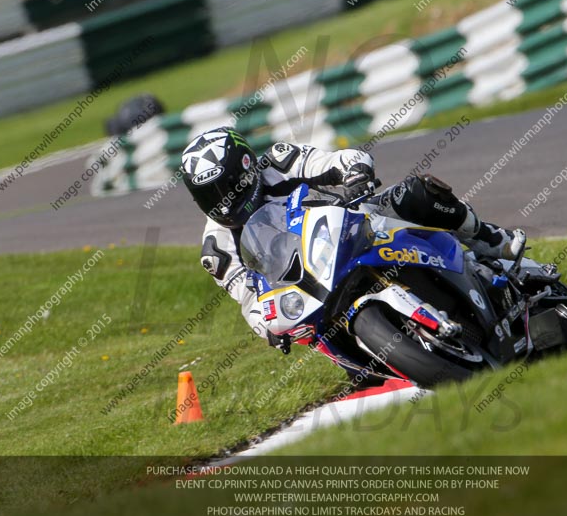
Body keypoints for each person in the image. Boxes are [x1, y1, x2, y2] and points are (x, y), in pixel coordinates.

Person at [181, 127, 525, 353]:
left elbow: (340, 159)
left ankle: (490, 239)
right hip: (308, 286)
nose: (223, 199)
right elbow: (249, 301)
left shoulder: (279, 162)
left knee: (415, 194)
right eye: (209, 194)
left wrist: (355, 175)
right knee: (347, 363)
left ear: (246, 166)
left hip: (348, 224)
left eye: (227, 186)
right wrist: (268, 328)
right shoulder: (217, 250)